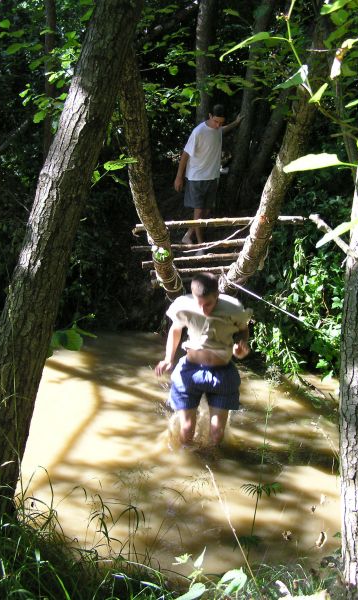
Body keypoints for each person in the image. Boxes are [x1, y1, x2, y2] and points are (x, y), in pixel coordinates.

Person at [155, 273, 252, 447]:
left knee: (217, 434)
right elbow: (176, 330)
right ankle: (189, 465)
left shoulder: (233, 309)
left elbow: (244, 329)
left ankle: (214, 463)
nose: (204, 310)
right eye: (199, 304)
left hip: (222, 373)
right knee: (186, 430)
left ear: (217, 296)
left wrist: (241, 345)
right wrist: (168, 359)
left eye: (208, 304)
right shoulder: (184, 305)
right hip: (190, 370)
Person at [174, 105, 243, 246]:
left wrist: (235, 123)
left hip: (212, 176)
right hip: (197, 177)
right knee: (199, 212)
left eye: (221, 122)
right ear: (210, 116)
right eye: (216, 121)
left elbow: (221, 130)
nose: (218, 125)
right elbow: (185, 155)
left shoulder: (218, 129)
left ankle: (188, 235)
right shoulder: (198, 132)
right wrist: (179, 177)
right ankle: (200, 244)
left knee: (206, 211)